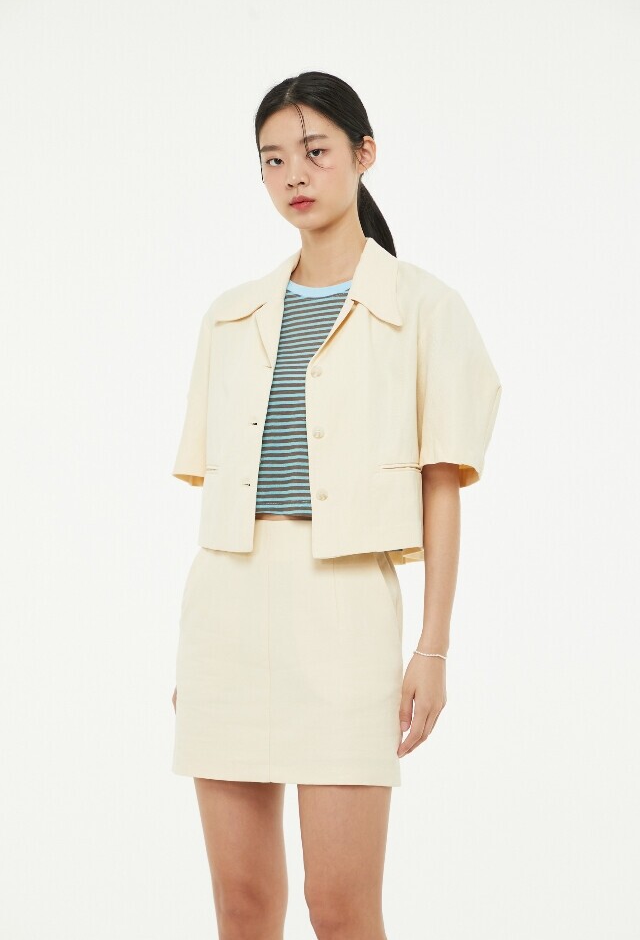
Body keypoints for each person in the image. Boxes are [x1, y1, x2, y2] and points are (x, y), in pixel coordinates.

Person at [170, 71, 502, 940]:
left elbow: (441, 483)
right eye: (273, 159)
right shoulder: (229, 316)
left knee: (341, 907)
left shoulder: (425, 307)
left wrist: (433, 645)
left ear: (364, 154)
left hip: (347, 613)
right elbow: (220, 503)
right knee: (242, 907)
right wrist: (194, 658)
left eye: (315, 151)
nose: (294, 175)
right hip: (226, 614)